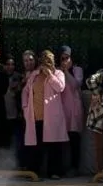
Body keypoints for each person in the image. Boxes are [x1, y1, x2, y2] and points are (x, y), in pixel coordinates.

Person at [22, 49, 68, 179]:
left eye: (49, 61)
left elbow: (60, 88)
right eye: (44, 61)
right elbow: (25, 91)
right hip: (35, 115)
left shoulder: (58, 73)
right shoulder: (34, 75)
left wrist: (50, 75)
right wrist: (25, 107)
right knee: (36, 146)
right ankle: (34, 172)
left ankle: (54, 172)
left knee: (54, 146)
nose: (46, 63)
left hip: (52, 117)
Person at [58, 46, 85, 175]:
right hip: (62, 111)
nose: (65, 61)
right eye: (62, 58)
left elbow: (75, 85)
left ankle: (74, 168)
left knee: (75, 141)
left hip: (74, 111)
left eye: (67, 58)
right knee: (62, 142)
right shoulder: (57, 72)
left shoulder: (77, 70)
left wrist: (66, 72)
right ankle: (62, 168)